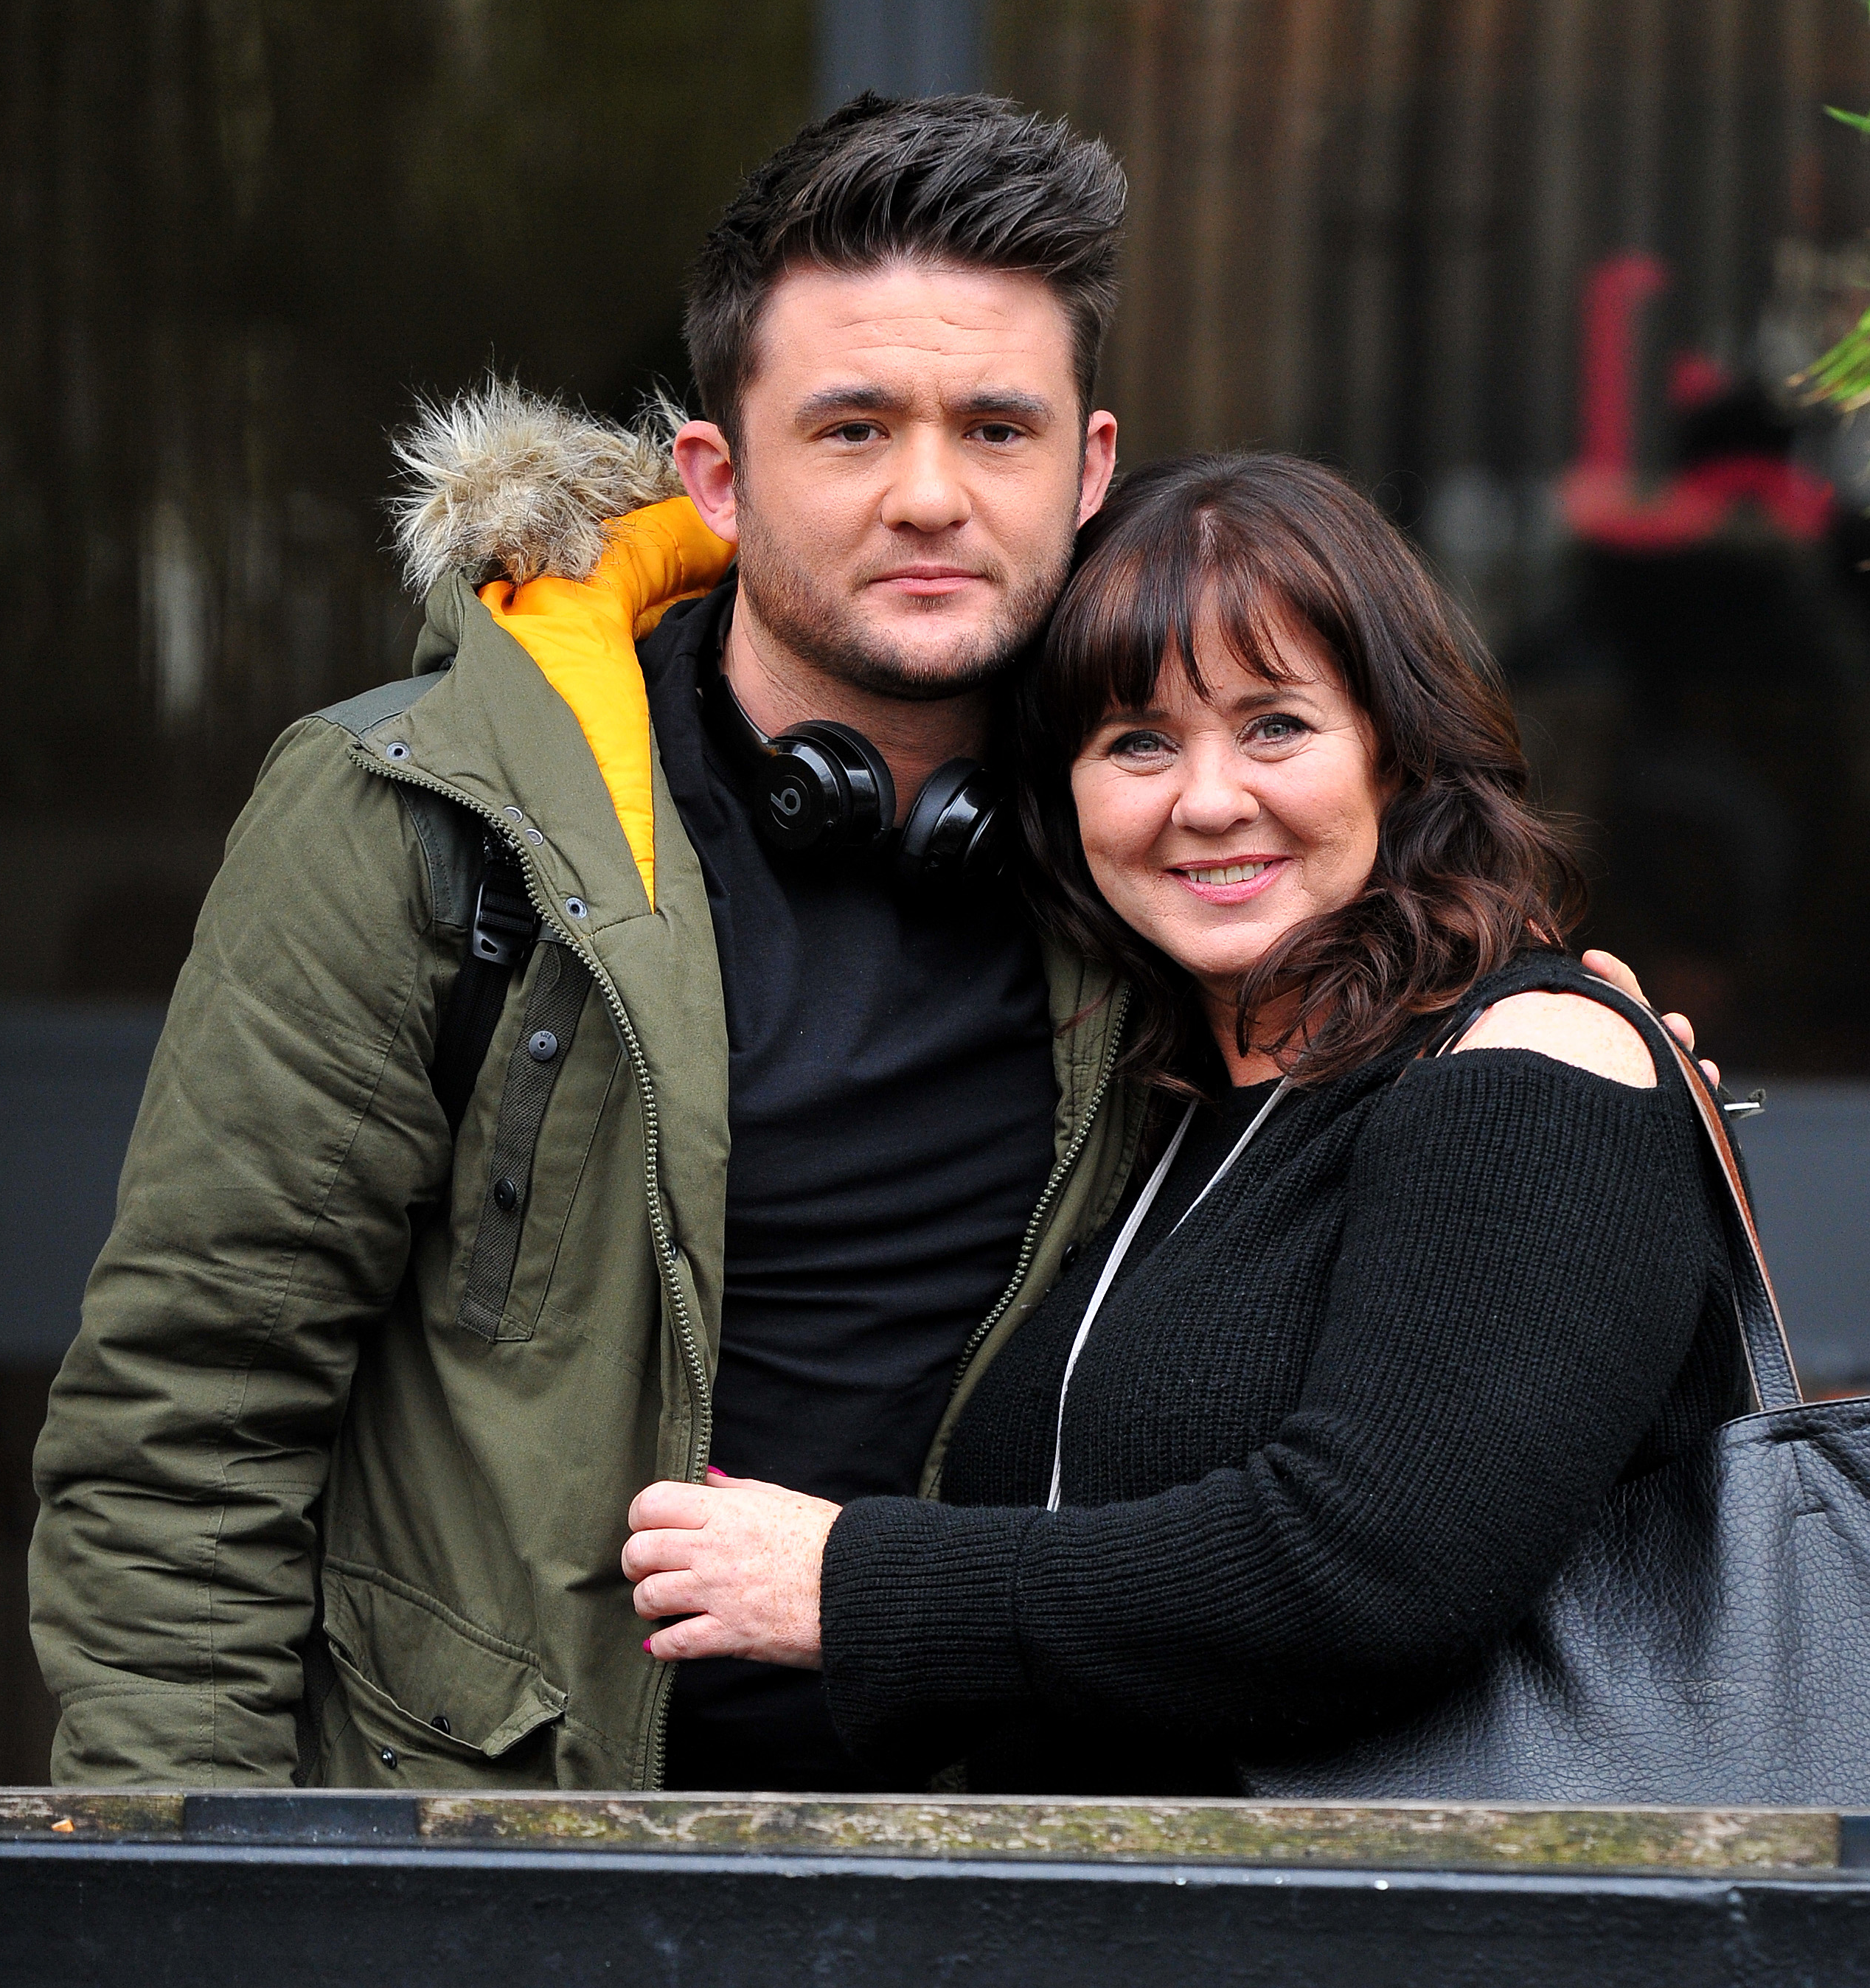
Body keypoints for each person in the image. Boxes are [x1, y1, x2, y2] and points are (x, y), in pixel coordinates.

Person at [30, 86, 1703, 1798]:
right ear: (717, 474)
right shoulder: (423, 819)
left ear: (1087, 466)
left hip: (1009, 1897)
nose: (927, 496)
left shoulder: (1133, 862)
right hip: (510, 1867)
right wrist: (213, 1926)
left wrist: (1546, 1045)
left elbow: (1390, 1184)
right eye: (848, 429)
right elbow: (192, 1427)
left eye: (994, 428)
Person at [620, 452, 1748, 1790]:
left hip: (1418, 1961)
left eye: (1276, 725)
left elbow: (1366, 1573)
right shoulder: (1170, 1120)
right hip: (1125, 1947)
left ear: (1398, 752)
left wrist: (849, 1581)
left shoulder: (1533, 1059)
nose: (1208, 800)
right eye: (1137, 743)